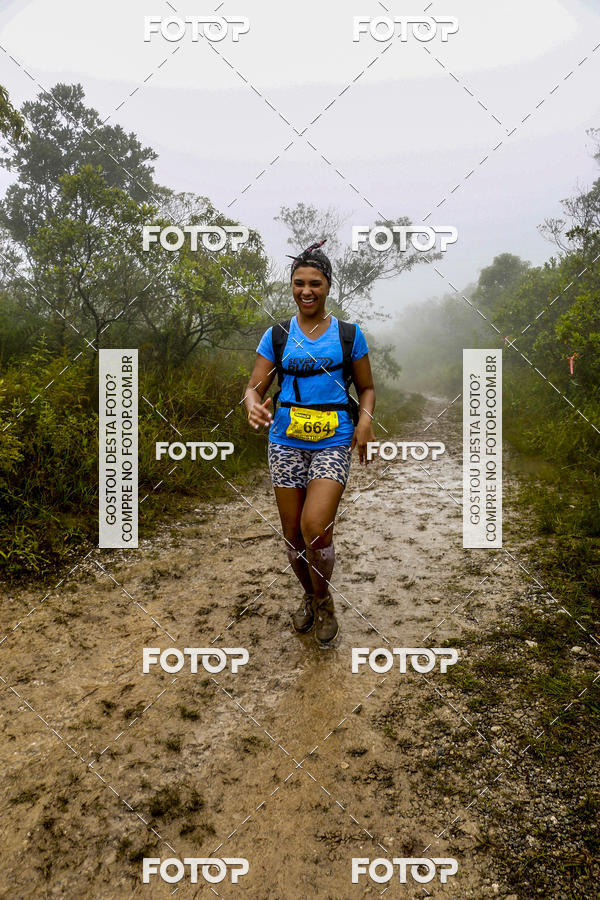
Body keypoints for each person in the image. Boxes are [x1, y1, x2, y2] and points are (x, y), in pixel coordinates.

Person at [244, 240, 376, 647]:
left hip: (333, 440)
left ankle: (325, 602)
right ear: (291, 286)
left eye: (315, 283)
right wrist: (253, 404)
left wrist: (365, 422)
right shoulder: (277, 335)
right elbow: (253, 386)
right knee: (292, 537)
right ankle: (312, 595)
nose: (306, 291)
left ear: (328, 285)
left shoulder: (349, 336)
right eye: (299, 283)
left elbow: (367, 388)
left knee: (314, 528)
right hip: (285, 441)